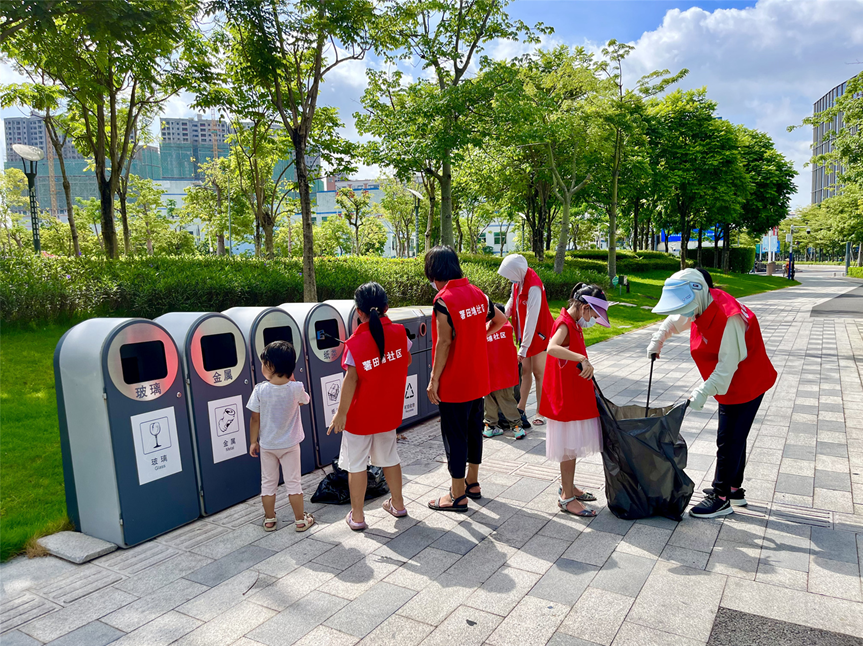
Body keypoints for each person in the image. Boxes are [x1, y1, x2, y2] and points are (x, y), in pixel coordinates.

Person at [647, 268, 777, 519]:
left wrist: (702, 392)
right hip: (735, 380)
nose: (685, 313)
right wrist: (658, 339)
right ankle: (734, 489)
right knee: (736, 436)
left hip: (745, 381)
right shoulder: (704, 300)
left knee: (728, 440)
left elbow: (727, 366)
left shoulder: (729, 317)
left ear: (698, 292)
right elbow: (677, 318)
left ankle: (721, 498)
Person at [426, 246, 507, 512]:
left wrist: (434, 379)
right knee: (474, 430)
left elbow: (444, 342)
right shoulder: (478, 295)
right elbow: (501, 320)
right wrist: (478, 337)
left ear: (435, 273)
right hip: (478, 379)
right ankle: (473, 483)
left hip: (454, 382)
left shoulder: (444, 300)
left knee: (455, 435)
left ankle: (457, 495)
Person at [327, 282, 412, 530]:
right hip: (388, 412)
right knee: (389, 458)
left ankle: (358, 516)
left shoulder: (355, 343)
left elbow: (350, 380)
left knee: (356, 464)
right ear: (387, 307)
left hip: (360, 417)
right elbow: (405, 361)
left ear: (358, 312)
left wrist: (340, 414)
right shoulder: (400, 334)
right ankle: (398, 504)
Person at [540, 283, 610, 517]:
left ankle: (569, 486)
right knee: (569, 447)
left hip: (572, 392)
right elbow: (551, 348)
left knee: (572, 446)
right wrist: (581, 357)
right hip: (565, 397)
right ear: (583, 307)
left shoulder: (574, 323)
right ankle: (566, 498)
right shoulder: (565, 323)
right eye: (593, 313)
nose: (593, 319)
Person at [247, 340, 315, 532]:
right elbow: (305, 401)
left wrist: (253, 441)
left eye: (263, 363)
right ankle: (300, 520)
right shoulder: (296, 387)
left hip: (268, 445)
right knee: (293, 482)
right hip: (291, 444)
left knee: (268, 482)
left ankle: (269, 519)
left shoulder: (260, 389)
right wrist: (291, 381)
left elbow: (254, 418)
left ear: (270, 366)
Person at [498, 254, 555, 429]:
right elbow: (512, 301)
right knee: (525, 371)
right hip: (525, 333)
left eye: (509, 273)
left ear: (517, 270)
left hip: (539, 334)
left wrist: (523, 349)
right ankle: (520, 408)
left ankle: (541, 412)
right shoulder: (518, 280)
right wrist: (503, 316)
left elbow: (532, 318)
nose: (509, 278)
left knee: (539, 372)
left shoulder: (534, 286)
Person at [483, 303, 524, 440]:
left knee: (489, 401)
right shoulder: (507, 327)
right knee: (507, 400)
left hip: (488, 373)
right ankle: (517, 427)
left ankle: (489, 427)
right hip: (505, 374)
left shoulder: (484, 329)